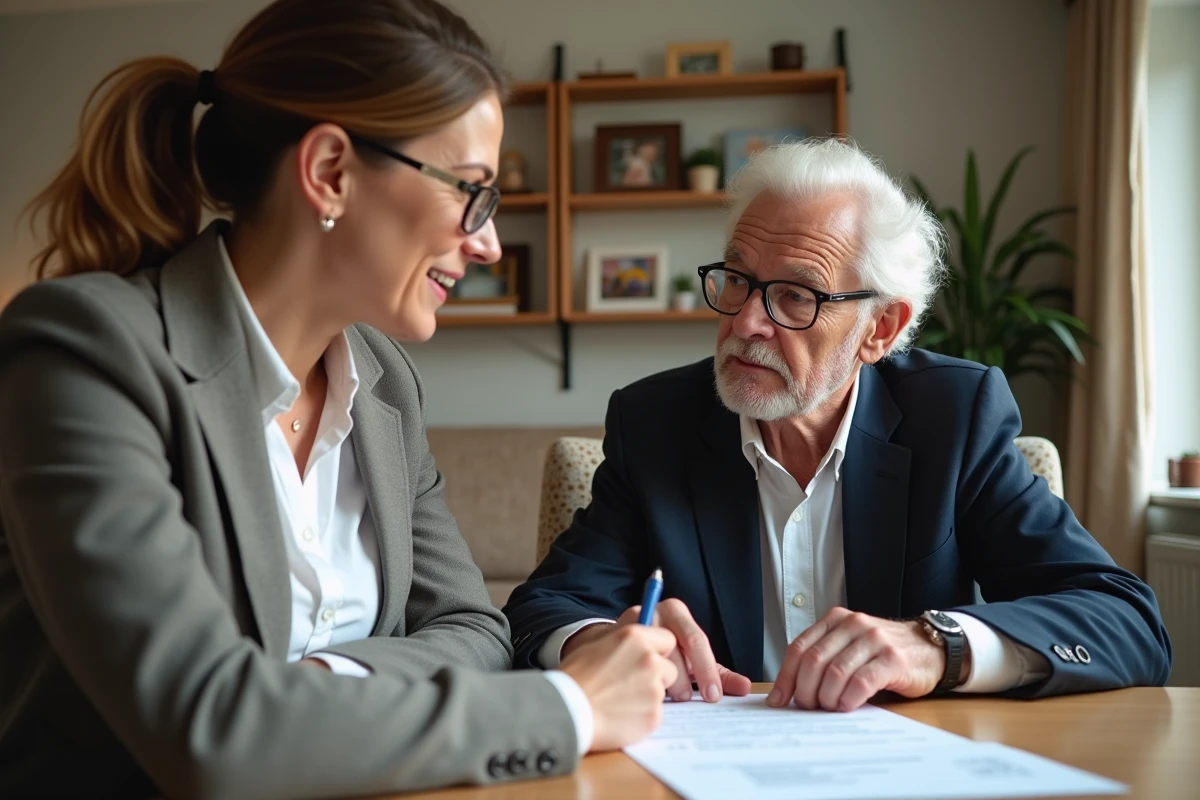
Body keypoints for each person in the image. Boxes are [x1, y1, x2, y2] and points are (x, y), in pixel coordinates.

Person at [0, 1, 679, 797]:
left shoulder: (383, 384)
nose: (488, 240)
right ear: (329, 172)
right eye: (470, 190)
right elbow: (210, 731)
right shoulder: (83, 356)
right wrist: (567, 708)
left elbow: (474, 630)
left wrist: (310, 688)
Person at [505, 138, 1172, 714]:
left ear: (878, 329)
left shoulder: (952, 419)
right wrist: (602, 643)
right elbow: (543, 608)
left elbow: (1126, 622)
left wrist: (938, 645)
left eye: (795, 295)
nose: (745, 323)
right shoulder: (656, 423)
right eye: (737, 279)